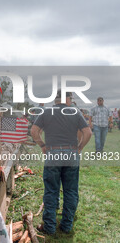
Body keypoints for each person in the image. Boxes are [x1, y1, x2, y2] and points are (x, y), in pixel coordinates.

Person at [31, 90, 92, 234]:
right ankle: (66, 225)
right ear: (67, 99)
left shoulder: (46, 112)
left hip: (53, 153)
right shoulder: (75, 112)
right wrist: (80, 147)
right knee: (71, 191)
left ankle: (49, 227)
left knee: (51, 190)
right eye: (71, 98)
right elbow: (88, 132)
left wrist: (42, 145)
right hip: (71, 153)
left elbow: (34, 131)